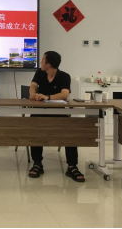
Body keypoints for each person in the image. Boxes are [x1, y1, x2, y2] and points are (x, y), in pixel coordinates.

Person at [28, 51, 85, 183]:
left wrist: (47, 97)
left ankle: (72, 166)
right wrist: (32, 94)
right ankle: (37, 163)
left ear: (48, 65)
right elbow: (33, 85)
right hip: (40, 112)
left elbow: (64, 94)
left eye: (42, 60)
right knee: (34, 127)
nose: (41, 62)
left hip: (59, 112)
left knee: (70, 131)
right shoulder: (40, 73)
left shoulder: (64, 76)